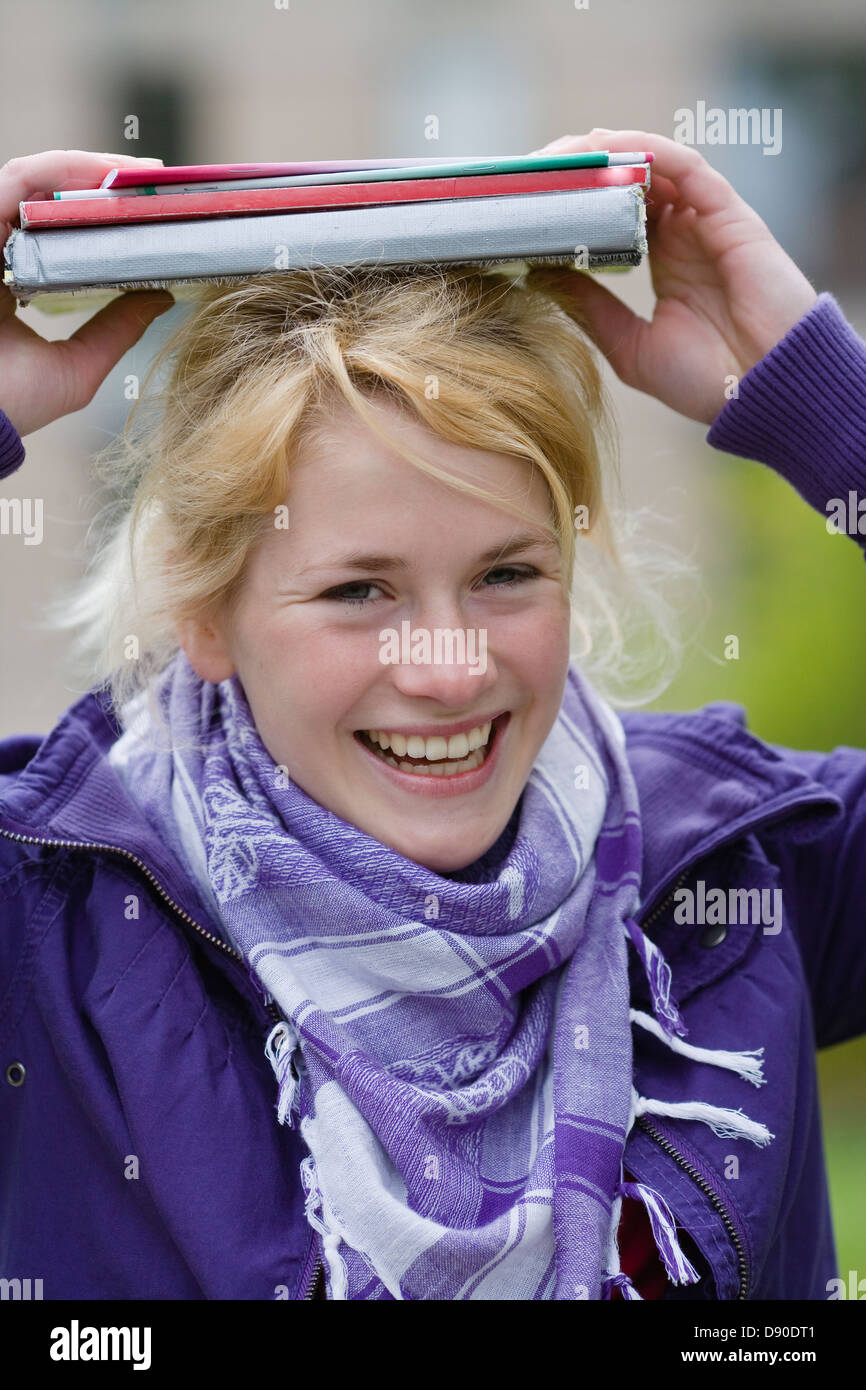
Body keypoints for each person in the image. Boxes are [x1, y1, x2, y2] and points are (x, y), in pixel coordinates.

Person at [0, 130, 864, 1302]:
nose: (449, 669)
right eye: (359, 591)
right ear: (204, 611)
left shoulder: (739, 860)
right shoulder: (43, 916)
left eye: (506, 573)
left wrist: (816, 398)